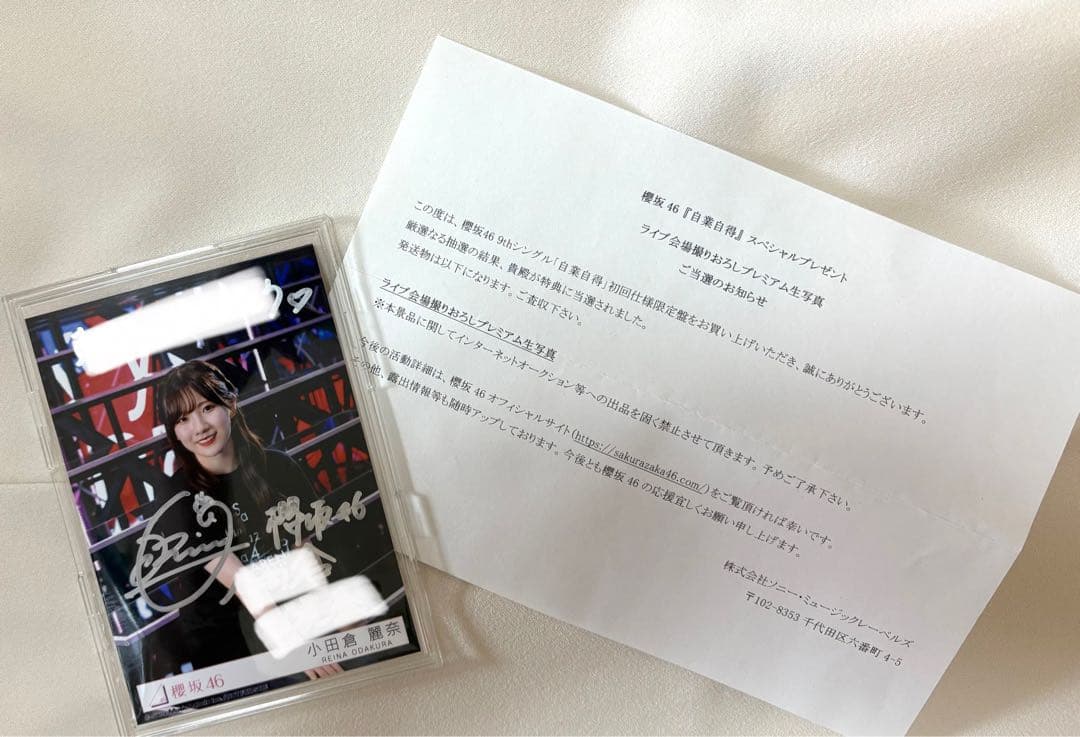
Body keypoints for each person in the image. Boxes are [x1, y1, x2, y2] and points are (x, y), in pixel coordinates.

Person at [142, 359, 341, 681]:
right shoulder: (177, 496)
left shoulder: (279, 467)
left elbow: (306, 554)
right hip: (230, 645)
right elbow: (239, 579)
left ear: (231, 404)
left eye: (207, 408)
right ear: (174, 432)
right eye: (183, 419)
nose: (199, 427)